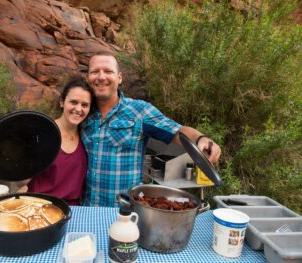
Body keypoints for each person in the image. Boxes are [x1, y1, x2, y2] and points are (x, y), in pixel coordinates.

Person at [80, 51, 222, 207]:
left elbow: (176, 131)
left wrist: (200, 139)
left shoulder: (139, 111)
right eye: (95, 72)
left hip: (126, 211)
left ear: (119, 78)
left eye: (108, 71)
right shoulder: (82, 112)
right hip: (88, 208)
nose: (101, 77)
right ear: (87, 78)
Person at [16, 76, 95, 205]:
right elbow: (20, 180)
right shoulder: (42, 133)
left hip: (74, 210)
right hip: (39, 207)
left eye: (85, 105)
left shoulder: (86, 135)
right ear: (62, 102)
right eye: (73, 102)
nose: (79, 109)